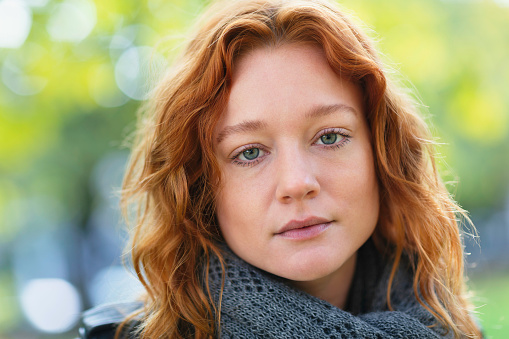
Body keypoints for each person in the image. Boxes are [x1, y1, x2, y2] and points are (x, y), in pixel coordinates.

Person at [79, 0, 482, 338]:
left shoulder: (453, 326)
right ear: (198, 185)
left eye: (329, 137)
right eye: (250, 153)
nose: (297, 183)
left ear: (382, 153)